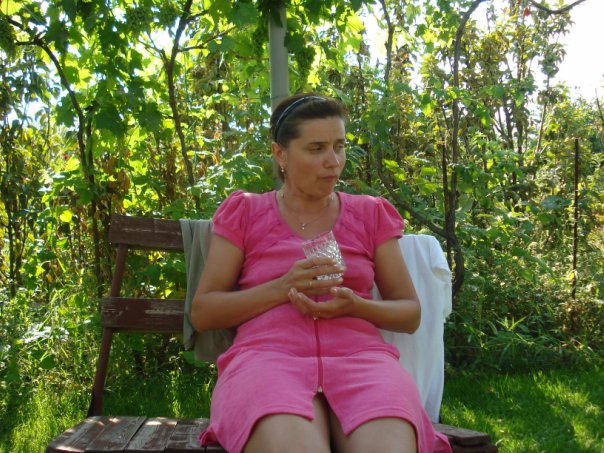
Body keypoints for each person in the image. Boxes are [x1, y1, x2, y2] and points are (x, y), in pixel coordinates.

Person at [190, 93, 452, 453]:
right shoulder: (246, 212)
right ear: (280, 154)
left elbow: (409, 313)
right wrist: (283, 287)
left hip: (362, 362)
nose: (334, 162)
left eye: (339, 146)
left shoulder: (370, 214)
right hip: (267, 362)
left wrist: (357, 306)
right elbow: (203, 312)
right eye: (316, 149)